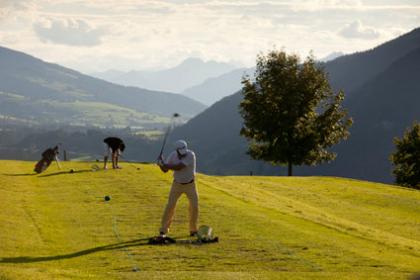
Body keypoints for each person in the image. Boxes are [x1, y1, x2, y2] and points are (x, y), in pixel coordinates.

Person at [157, 139, 198, 237]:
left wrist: (165, 164)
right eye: (180, 153)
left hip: (190, 185)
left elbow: (179, 167)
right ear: (176, 150)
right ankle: (163, 230)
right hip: (177, 185)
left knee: (194, 206)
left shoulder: (190, 155)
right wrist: (160, 164)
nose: (182, 155)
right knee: (170, 206)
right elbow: (165, 170)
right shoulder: (173, 155)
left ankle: (193, 230)